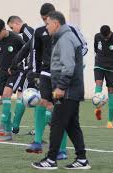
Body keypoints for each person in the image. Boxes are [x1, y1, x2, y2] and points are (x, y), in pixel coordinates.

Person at [25, 3, 88, 161]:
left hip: (66, 84)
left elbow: (70, 62)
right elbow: (34, 51)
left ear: (54, 21)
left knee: (58, 121)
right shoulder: (47, 33)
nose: (45, 26)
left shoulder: (67, 36)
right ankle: (81, 158)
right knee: (70, 124)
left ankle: (52, 158)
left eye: (47, 22)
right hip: (52, 76)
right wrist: (35, 73)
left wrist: (61, 86)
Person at [0, 18, 24, 141]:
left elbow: (27, 53)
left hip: (16, 72)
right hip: (3, 72)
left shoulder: (16, 39)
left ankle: (2, 125)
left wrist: (20, 67)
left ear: (4, 29)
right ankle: (8, 134)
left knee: (7, 94)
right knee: (5, 98)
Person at [7, 15, 34, 135]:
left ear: (17, 23)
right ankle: (15, 127)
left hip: (31, 69)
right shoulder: (26, 33)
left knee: (22, 95)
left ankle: (15, 127)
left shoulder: (28, 31)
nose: (13, 30)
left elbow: (32, 49)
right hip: (30, 69)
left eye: (12, 27)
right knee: (21, 94)